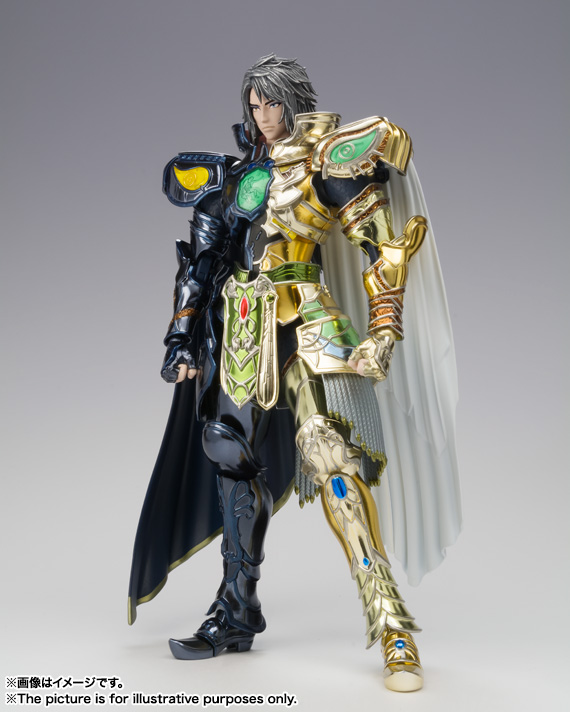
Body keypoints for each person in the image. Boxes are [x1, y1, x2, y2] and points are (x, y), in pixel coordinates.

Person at [128, 55, 461, 693]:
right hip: (242, 329)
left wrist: (383, 332)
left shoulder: (328, 162)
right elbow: (201, 263)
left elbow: (383, 249)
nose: (262, 115)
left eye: (272, 103)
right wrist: (181, 339)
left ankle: (391, 623)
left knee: (330, 456)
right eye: (254, 105)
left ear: (294, 102)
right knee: (228, 453)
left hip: (307, 319)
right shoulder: (231, 178)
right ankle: (237, 611)